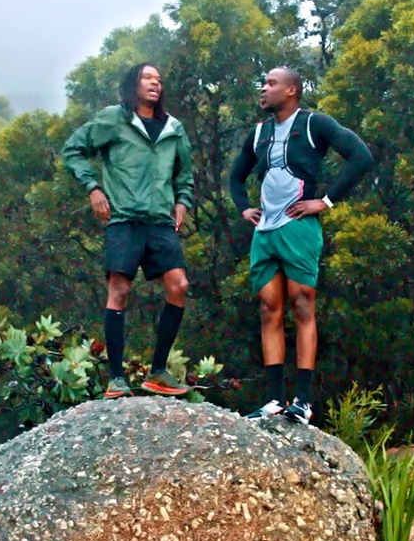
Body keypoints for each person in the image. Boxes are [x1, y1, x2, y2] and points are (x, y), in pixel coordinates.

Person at [228, 67, 375, 424]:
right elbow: (236, 176)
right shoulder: (259, 133)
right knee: (268, 309)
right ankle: (275, 400)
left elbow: (361, 157)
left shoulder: (314, 124)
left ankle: (303, 401)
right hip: (265, 231)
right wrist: (243, 207)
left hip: (299, 227)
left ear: (291, 90)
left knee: (303, 304)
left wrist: (324, 202)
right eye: (263, 83)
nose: (264, 89)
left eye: (271, 84)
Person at [61, 63, 195, 399]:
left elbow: (184, 174)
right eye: (148, 77)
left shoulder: (173, 129)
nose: (155, 83)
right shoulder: (113, 119)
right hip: (123, 218)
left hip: (159, 221)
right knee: (119, 290)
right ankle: (117, 378)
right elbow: (73, 150)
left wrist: (182, 202)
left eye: (159, 79)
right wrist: (93, 188)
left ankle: (159, 370)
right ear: (132, 83)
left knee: (179, 286)